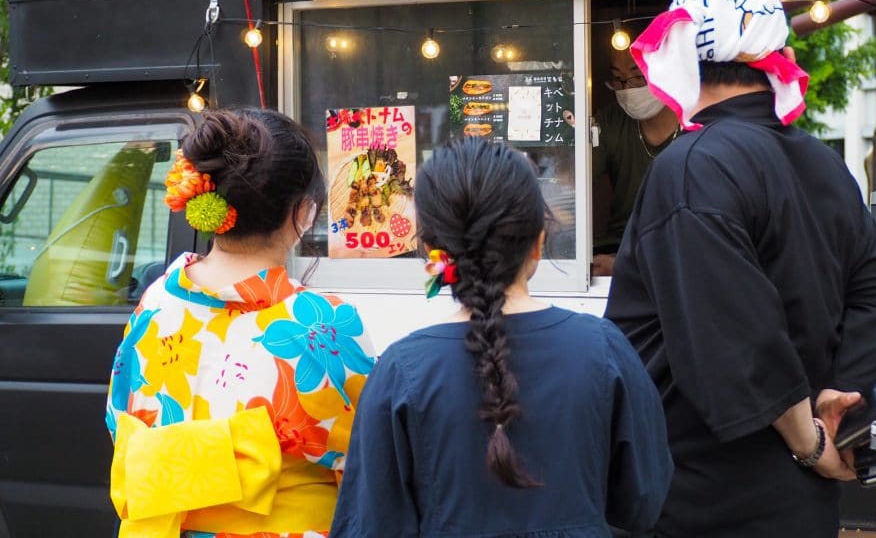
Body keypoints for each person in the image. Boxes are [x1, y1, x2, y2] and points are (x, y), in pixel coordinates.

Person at [605, 0, 876, 537]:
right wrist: (835, 404)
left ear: (685, 51)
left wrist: (811, 441)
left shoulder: (690, 168)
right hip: (803, 507)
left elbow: (736, 335)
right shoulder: (824, 162)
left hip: (702, 503)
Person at [330, 138, 672, 538]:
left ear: (430, 251)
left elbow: (371, 525)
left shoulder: (401, 372)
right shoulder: (603, 349)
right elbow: (643, 501)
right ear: (539, 242)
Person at [106, 108, 376, 538]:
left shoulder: (155, 306)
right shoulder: (321, 324)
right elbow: (371, 457)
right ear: (304, 213)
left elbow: (121, 421)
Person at [592, 46, 681, 276]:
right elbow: (572, 180)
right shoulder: (611, 120)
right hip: (619, 243)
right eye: (618, 79)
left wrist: (628, 265)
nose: (627, 88)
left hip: (680, 250)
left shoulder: (697, 126)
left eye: (638, 76)